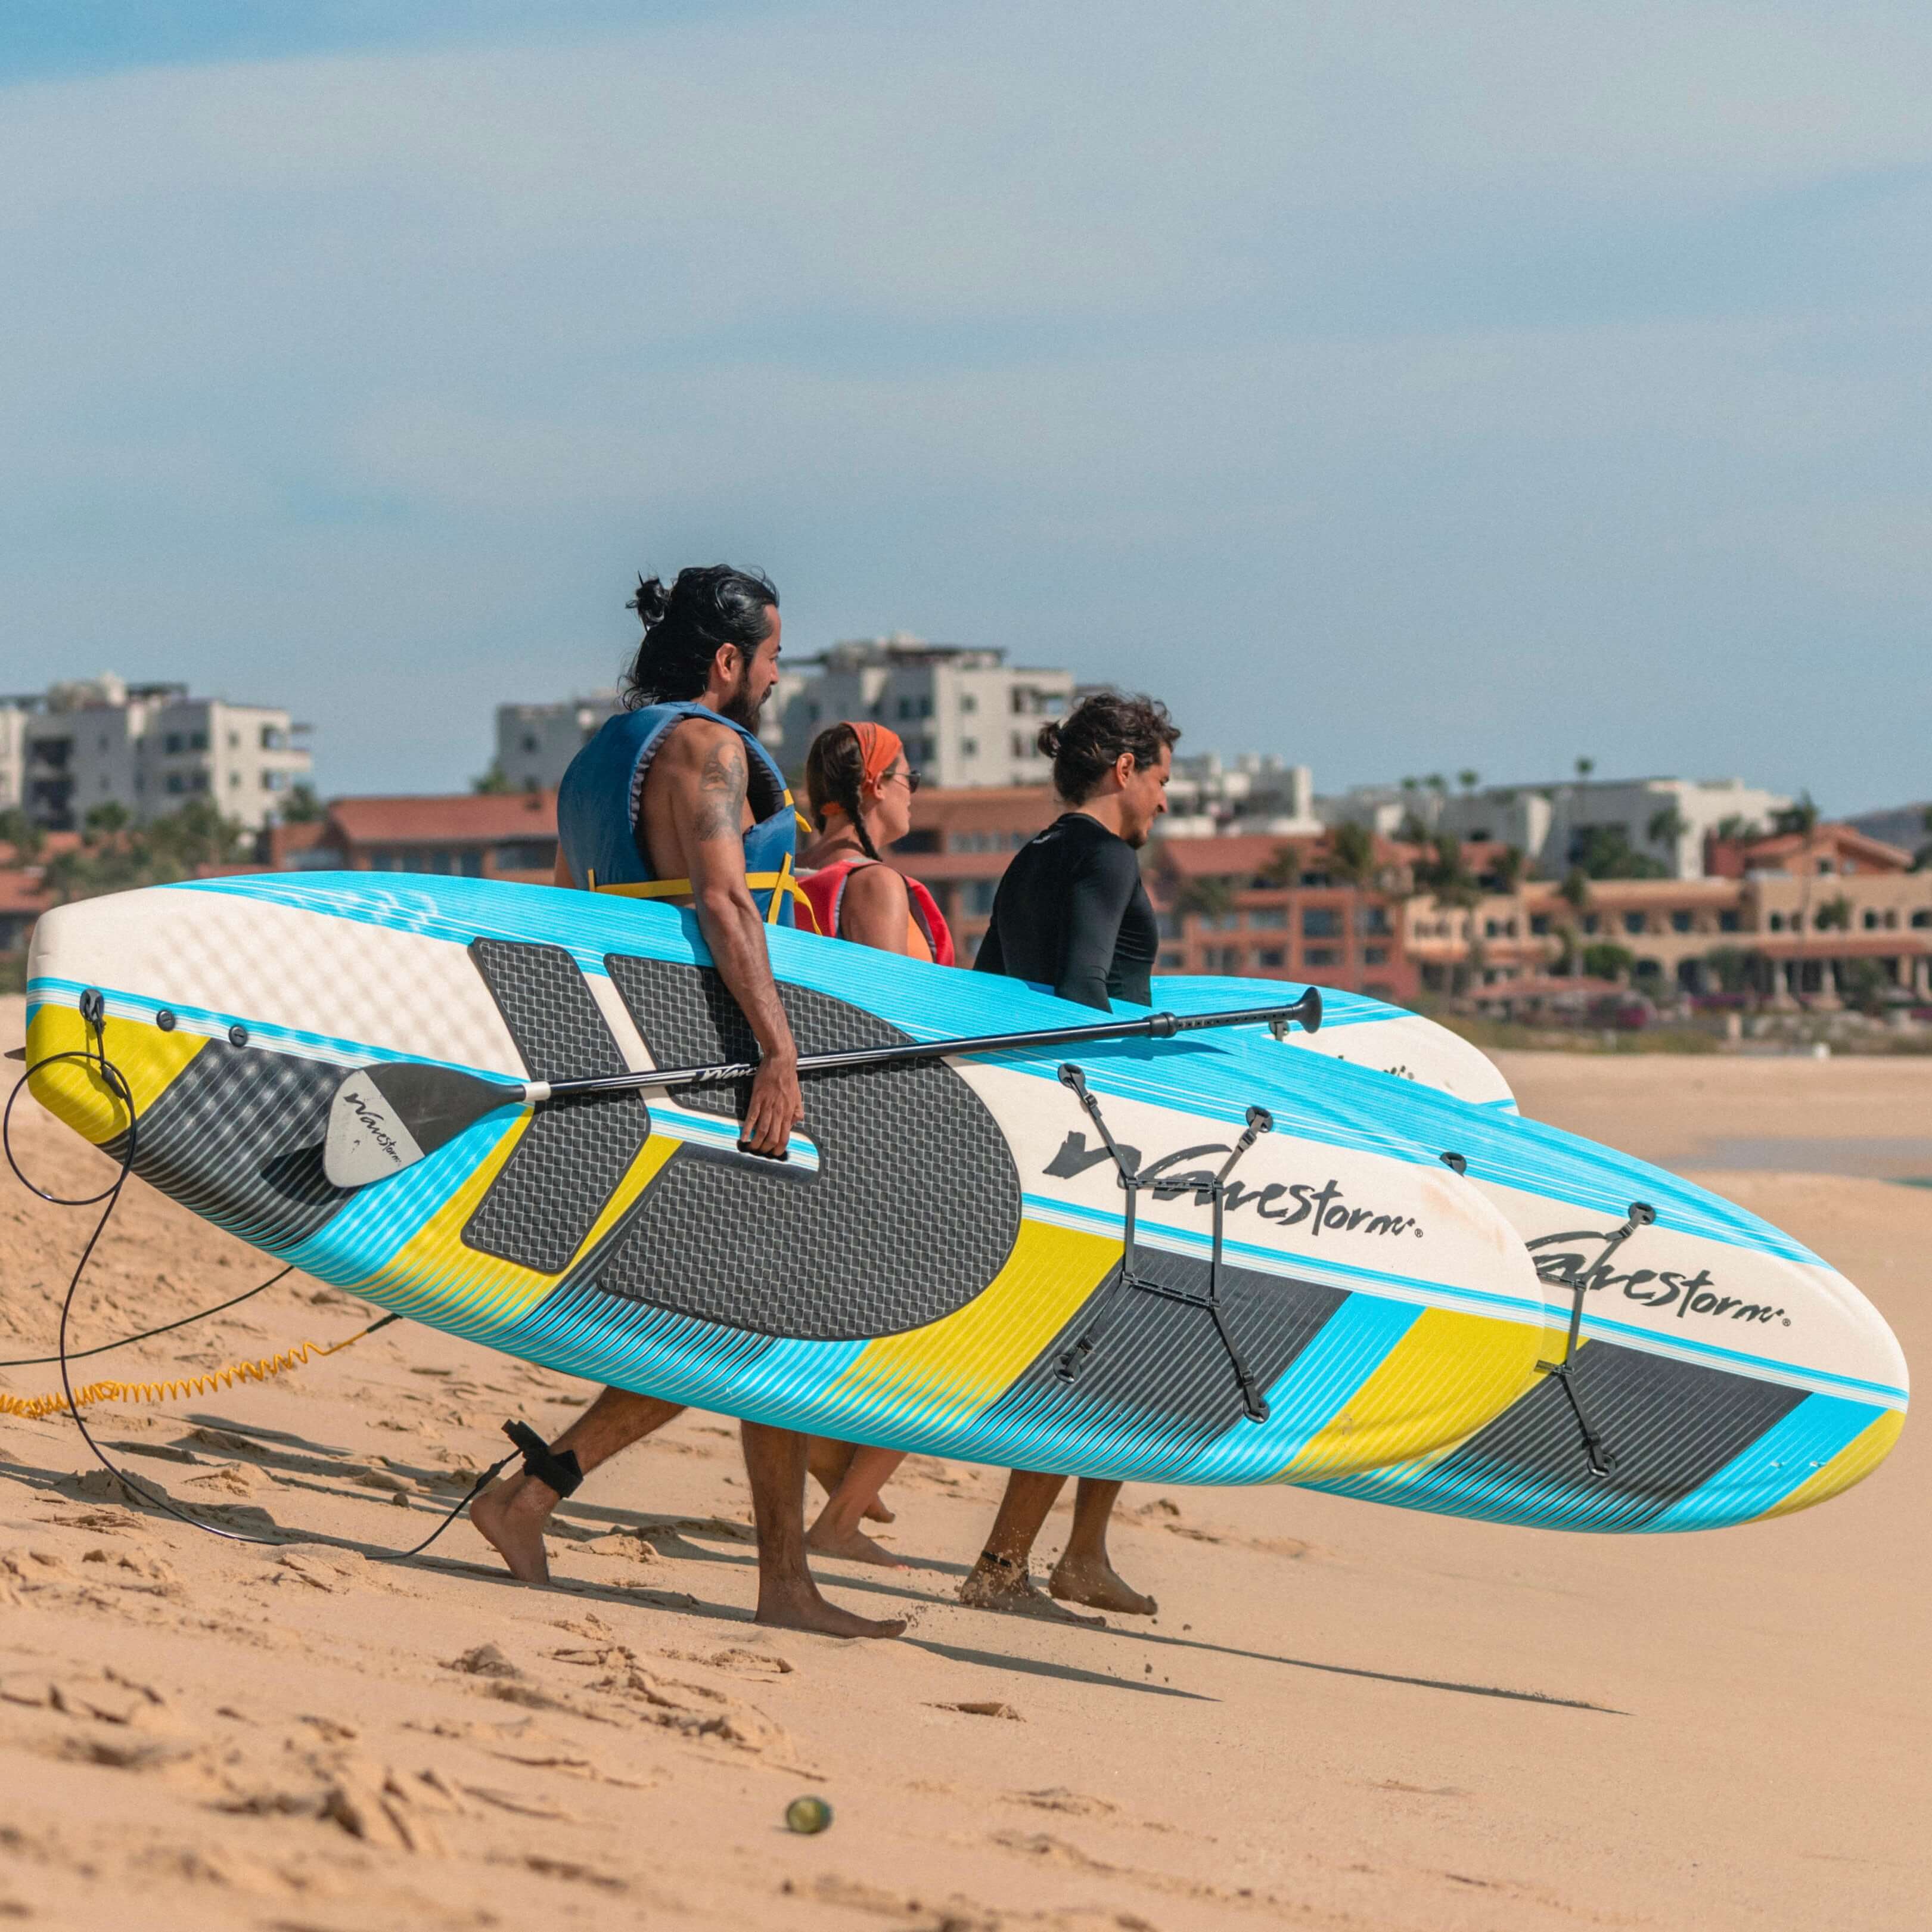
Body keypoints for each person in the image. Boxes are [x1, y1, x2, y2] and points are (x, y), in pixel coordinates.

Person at [469, 564, 904, 1641]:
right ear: (726, 661)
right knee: (756, 1316)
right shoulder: (706, 749)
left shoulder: (592, 764)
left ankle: (538, 1503)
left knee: (734, 1320)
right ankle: (773, 1582)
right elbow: (721, 902)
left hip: (642, 1052)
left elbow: (579, 914)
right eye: (768, 658)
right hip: (714, 1059)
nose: (772, 677)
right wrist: (779, 1050)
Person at [958, 689, 1179, 1625]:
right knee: (1089, 1351)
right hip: (1094, 1134)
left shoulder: (1032, 856)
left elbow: (981, 990)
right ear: (1123, 769)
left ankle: (1082, 1552)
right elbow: (1082, 994)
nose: (1166, 800)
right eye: (1162, 778)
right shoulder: (1104, 856)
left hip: (1035, 1118)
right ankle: (1003, 1566)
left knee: (1115, 1349)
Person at [792, 719, 952, 1564]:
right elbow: (886, 1028)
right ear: (873, 788)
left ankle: (834, 1471)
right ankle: (841, 1513)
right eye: (907, 774)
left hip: (814, 1128)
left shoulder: (794, 877)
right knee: (941, 1335)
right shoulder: (874, 887)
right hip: (881, 1139)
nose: (914, 789)